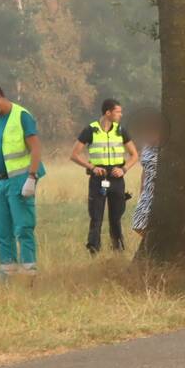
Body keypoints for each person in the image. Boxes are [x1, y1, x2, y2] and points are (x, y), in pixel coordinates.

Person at [0, 81, 45, 277]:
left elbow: (36, 148)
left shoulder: (21, 115)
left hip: (19, 180)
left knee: (23, 228)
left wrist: (32, 177)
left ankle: (28, 272)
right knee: (2, 229)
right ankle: (7, 272)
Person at [70, 99, 140, 253]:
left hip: (117, 180)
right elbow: (74, 155)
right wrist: (92, 167)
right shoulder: (91, 130)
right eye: (118, 112)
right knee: (96, 218)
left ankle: (118, 250)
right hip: (98, 180)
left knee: (116, 219)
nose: (121, 115)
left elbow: (134, 155)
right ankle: (94, 251)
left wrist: (124, 169)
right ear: (108, 113)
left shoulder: (121, 131)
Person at [131, 120, 163, 236]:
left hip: (159, 190)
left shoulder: (164, 150)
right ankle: (151, 243)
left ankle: (154, 245)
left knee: (155, 222)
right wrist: (141, 190)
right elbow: (144, 169)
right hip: (147, 190)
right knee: (137, 224)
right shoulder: (146, 148)